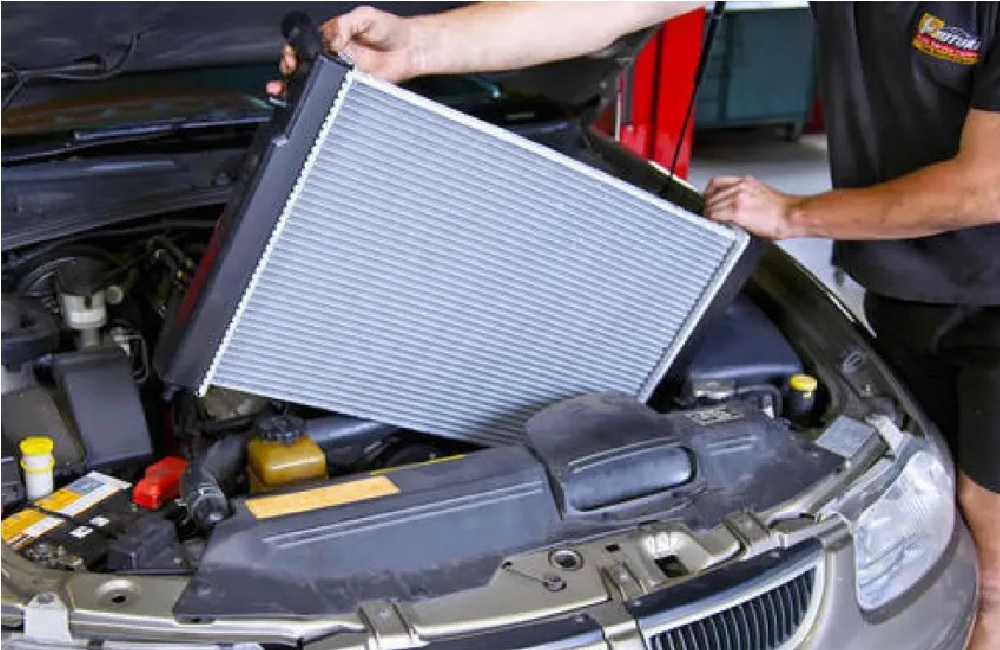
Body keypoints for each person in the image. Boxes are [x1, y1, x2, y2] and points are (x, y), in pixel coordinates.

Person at [268, 3, 1000, 647]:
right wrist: (416, 45)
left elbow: (984, 185)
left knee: (987, 549)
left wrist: (795, 213)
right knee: (952, 497)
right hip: (915, 289)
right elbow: (606, 6)